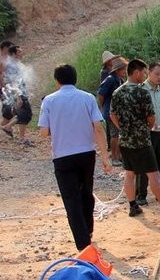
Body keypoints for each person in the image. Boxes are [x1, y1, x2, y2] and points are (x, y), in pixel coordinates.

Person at [38, 64, 113, 250]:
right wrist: (105, 157)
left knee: (71, 199)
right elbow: (98, 128)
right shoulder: (87, 98)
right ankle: (87, 231)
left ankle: (83, 243)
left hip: (62, 156)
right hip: (86, 153)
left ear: (57, 81)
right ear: (75, 78)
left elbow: (44, 132)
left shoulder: (49, 101)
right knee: (86, 193)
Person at [109, 59, 160, 219]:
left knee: (130, 174)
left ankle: (133, 206)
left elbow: (112, 115)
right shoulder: (142, 92)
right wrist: (149, 126)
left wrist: (123, 128)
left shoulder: (117, 92)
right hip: (142, 140)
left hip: (125, 140)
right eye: (144, 72)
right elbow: (151, 119)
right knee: (154, 175)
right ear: (136, 73)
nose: (144, 76)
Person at [135, 63, 160, 205]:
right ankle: (141, 195)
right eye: (157, 74)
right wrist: (148, 123)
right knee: (144, 165)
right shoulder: (141, 90)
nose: (159, 77)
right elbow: (137, 113)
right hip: (146, 134)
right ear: (149, 73)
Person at [1, 45, 33, 146]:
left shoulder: (15, 63)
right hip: (18, 92)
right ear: (14, 53)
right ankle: (21, 137)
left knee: (23, 113)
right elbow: (13, 81)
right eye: (19, 52)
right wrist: (18, 96)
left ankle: (9, 127)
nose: (22, 53)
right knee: (26, 113)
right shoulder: (12, 65)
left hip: (19, 92)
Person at [98, 57, 127, 166]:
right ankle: (114, 157)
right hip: (111, 112)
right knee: (114, 135)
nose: (125, 71)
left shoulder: (121, 80)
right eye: (123, 69)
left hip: (118, 112)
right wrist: (103, 108)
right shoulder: (110, 79)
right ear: (118, 70)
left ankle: (118, 156)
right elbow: (101, 94)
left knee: (119, 135)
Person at [0, 40, 13, 131]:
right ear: (5, 48)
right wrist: (2, 85)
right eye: (9, 47)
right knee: (7, 105)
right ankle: (5, 126)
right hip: (4, 85)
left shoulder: (8, 57)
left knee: (12, 105)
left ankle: (7, 126)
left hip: (11, 85)